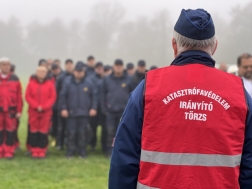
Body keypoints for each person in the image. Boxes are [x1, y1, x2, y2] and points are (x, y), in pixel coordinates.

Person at [109, 9, 252, 189]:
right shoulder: (239, 92)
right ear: (214, 46)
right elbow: (249, 164)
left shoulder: (148, 87)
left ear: (174, 45)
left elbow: (124, 158)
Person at [60, 62, 98, 158]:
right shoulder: (67, 82)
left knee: (82, 134)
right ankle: (70, 152)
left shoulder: (89, 83)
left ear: (84, 72)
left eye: (81, 71)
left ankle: (82, 151)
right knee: (71, 133)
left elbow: (94, 96)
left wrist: (93, 108)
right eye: (77, 71)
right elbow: (63, 96)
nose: (79, 73)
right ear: (74, 72)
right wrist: (63, 108)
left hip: (84, 113)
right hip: (71, 113)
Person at [101, 59, 134, 158]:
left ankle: (122, 151)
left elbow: (134, 94)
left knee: (123, 132)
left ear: (123, 67)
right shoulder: (107, 79)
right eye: (117, 65)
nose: (118, 67)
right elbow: (102, 95)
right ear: (113, 66)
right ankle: (110, 151)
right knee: (110, 132)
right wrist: (104, 109)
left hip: (124, 111)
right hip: (110, 111)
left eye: (120, 65)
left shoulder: (129, 79)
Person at [25, 66, 56, 159]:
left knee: (43, 132)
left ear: (46, 74)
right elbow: (27, 96)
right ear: (36, 73)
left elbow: (53, 97)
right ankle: (34, 151)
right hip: (33, 112)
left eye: (43, 72)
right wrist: (36, 106)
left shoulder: (50, 84)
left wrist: (44, 107)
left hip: (45, 112)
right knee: (34, 132)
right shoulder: (31, 84)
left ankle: (42, 150)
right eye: (39, 72)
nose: (41, 74)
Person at [0, 57, 23, 159]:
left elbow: (19, 97)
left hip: (11, 111)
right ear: (0, 66)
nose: (6, 67)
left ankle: (9, 151)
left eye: (8, 65)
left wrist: (19, 111)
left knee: (10, 132)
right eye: (4, 65)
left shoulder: (15, 79)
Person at [56, 59, 74, 150]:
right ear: (65, 66)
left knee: (70, 127)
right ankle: (60, 143)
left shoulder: (75, 76)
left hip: (72, 106)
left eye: (71, 64)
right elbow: (58, 91)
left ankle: (69, 143)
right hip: (63, 105)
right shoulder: (61, 77)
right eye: (68, 64)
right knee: (61, 126)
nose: (69, 66)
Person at [89, 62, 106, 152]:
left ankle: (103, 145)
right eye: (98, 68)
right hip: (94, 107)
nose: (100, 70)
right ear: (95, 69)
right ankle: (92, 144)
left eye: (101, 68)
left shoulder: (106, 78)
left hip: (103, 107)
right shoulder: (91, 79)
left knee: (105, 128)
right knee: (93, 127)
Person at [50, 64, 63, 146]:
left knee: (60, 124)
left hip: (60, 104)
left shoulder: (63, 77)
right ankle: (54, 138)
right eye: (54, 69)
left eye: (57, 69)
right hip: (52, 105)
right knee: (54, 123)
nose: (56, 71)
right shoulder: (50, 78)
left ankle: (60, 140)